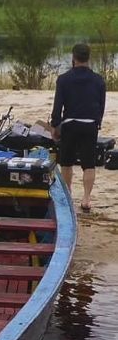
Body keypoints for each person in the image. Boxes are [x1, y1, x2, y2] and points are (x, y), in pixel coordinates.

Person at [50, 42, 106, 213]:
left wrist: (54, 126)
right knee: (89, 164)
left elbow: (57, 106)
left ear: (73, 57)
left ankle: (68, 196)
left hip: (70, 124)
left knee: (66, 163)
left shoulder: (64, 79)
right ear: (89, 58)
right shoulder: (98, 80)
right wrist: (97, 122)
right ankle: (87, 199)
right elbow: (101, 105)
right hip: (90, 124)